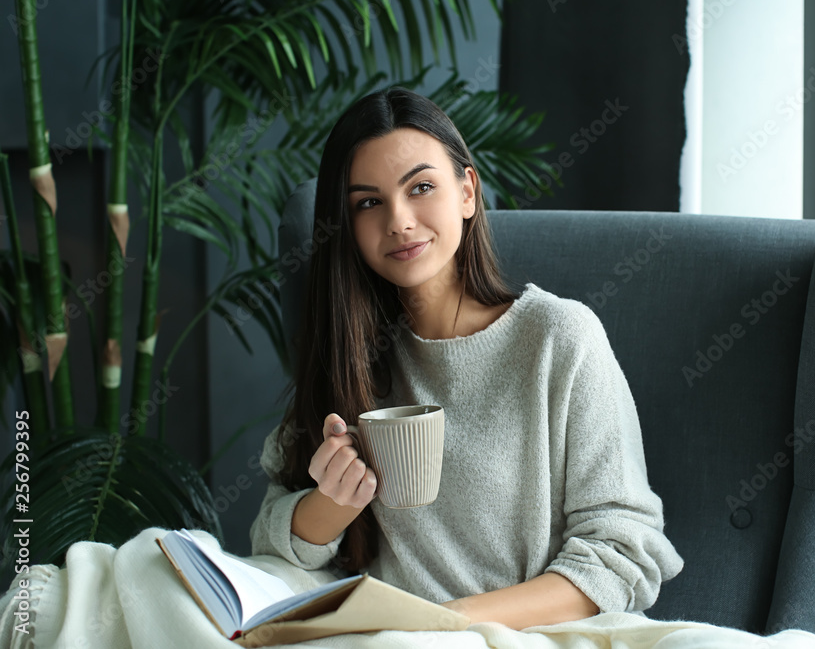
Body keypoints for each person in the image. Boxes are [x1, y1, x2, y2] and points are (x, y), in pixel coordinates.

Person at [249, 86, 684, 630]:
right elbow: (269, 538)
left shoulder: (558, 338)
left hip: (533, 638)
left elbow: (624, 551)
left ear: (468, 192)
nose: (400, 221)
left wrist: (447, 625)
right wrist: (334, 504)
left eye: (422, 187)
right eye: (368, 203)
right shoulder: (349, 357)